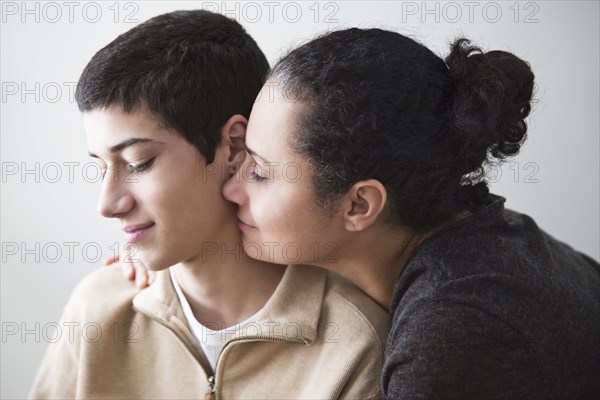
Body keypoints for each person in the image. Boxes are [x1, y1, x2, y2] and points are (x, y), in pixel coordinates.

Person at [220, 28, 600, 398]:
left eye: (260, 173)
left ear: (359, 205)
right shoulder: (485, 233)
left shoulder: (448, 336)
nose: (231, 188)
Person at [30, 12, 389, 399]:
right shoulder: (96, 308)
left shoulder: (355, 343)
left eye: (138, 163)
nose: (107, 205)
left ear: (233, 146)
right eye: (101, 168)